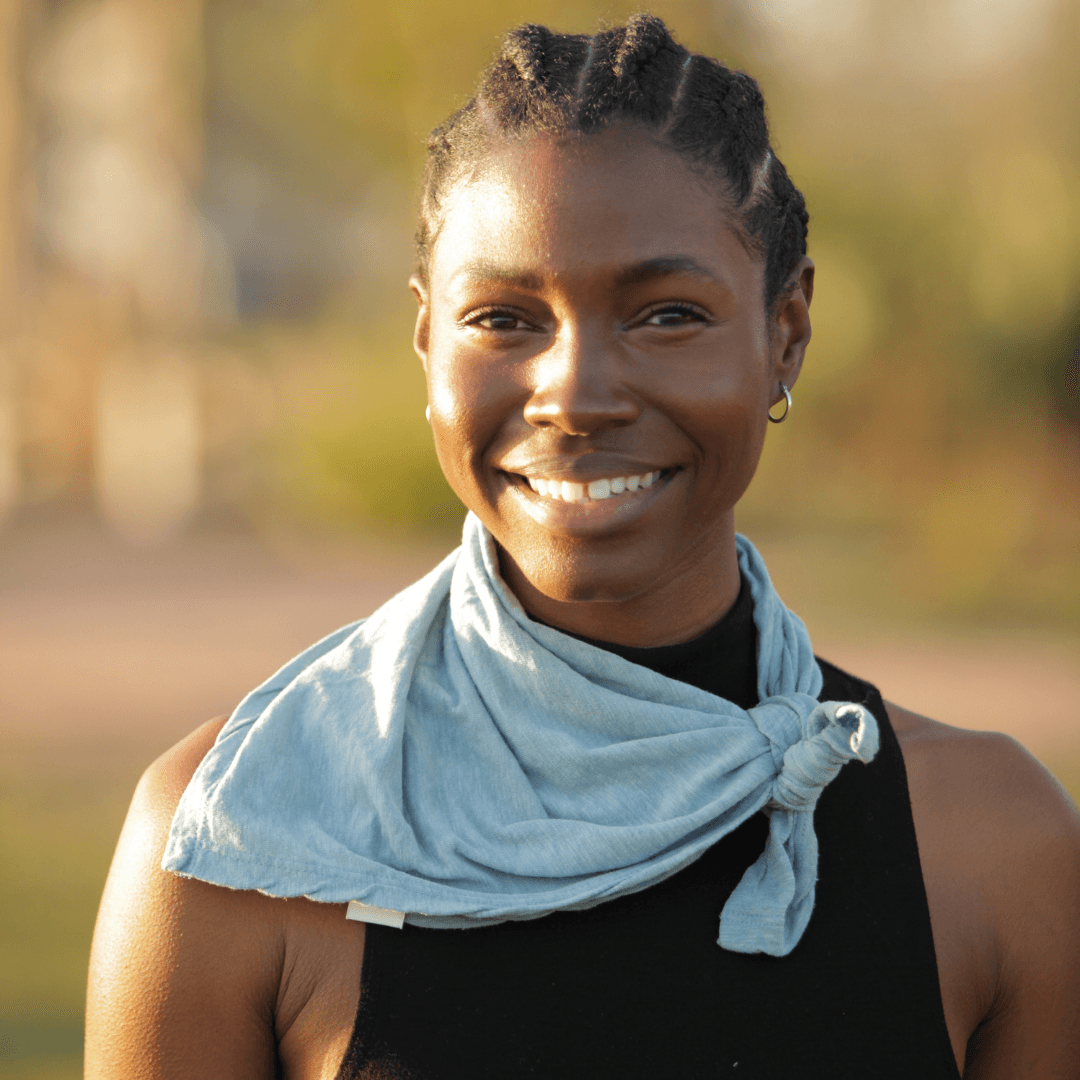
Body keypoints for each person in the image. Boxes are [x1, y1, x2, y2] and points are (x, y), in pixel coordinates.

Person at [85, 16, 1080, 1079]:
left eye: (664, 315)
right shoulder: (240, 839)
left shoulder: (985, 848)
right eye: (506, 319)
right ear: (428, 341)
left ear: (783, 332)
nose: (577, 396)